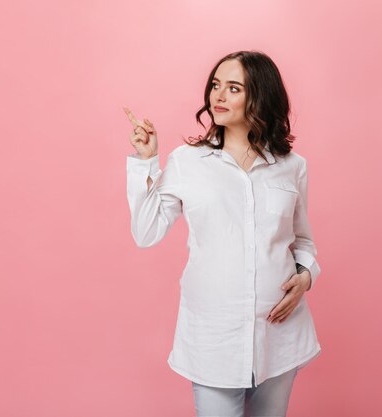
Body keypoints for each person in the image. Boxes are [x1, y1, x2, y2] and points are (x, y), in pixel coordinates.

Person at [123, 50, 322, 417]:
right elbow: (146, 232)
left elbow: (303, 241)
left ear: (260, 97)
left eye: (233, 88)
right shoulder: (188, 161)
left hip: (278, 336)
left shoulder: (292, 167)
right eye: (216, 85)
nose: (218, 96)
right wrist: (145, 161)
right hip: (214, 337)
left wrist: (306, 276)